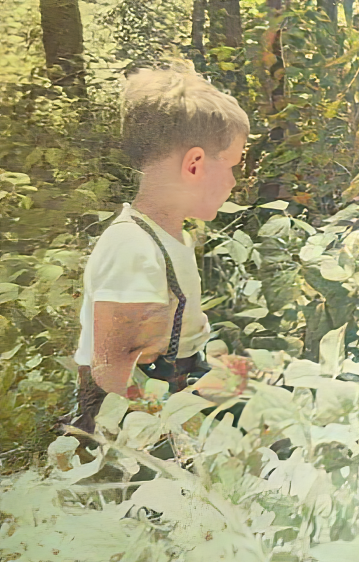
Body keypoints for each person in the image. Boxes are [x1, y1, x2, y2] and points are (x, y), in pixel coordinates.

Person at [62, 61, 249, 434]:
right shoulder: (133, 247)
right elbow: (112, 373)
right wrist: (182, 422)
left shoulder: (173, 236)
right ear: (194, 165)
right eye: (230, 166)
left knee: (267, 387)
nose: (233, 182)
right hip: (134, 414)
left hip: (175, 382)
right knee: (267, 426)